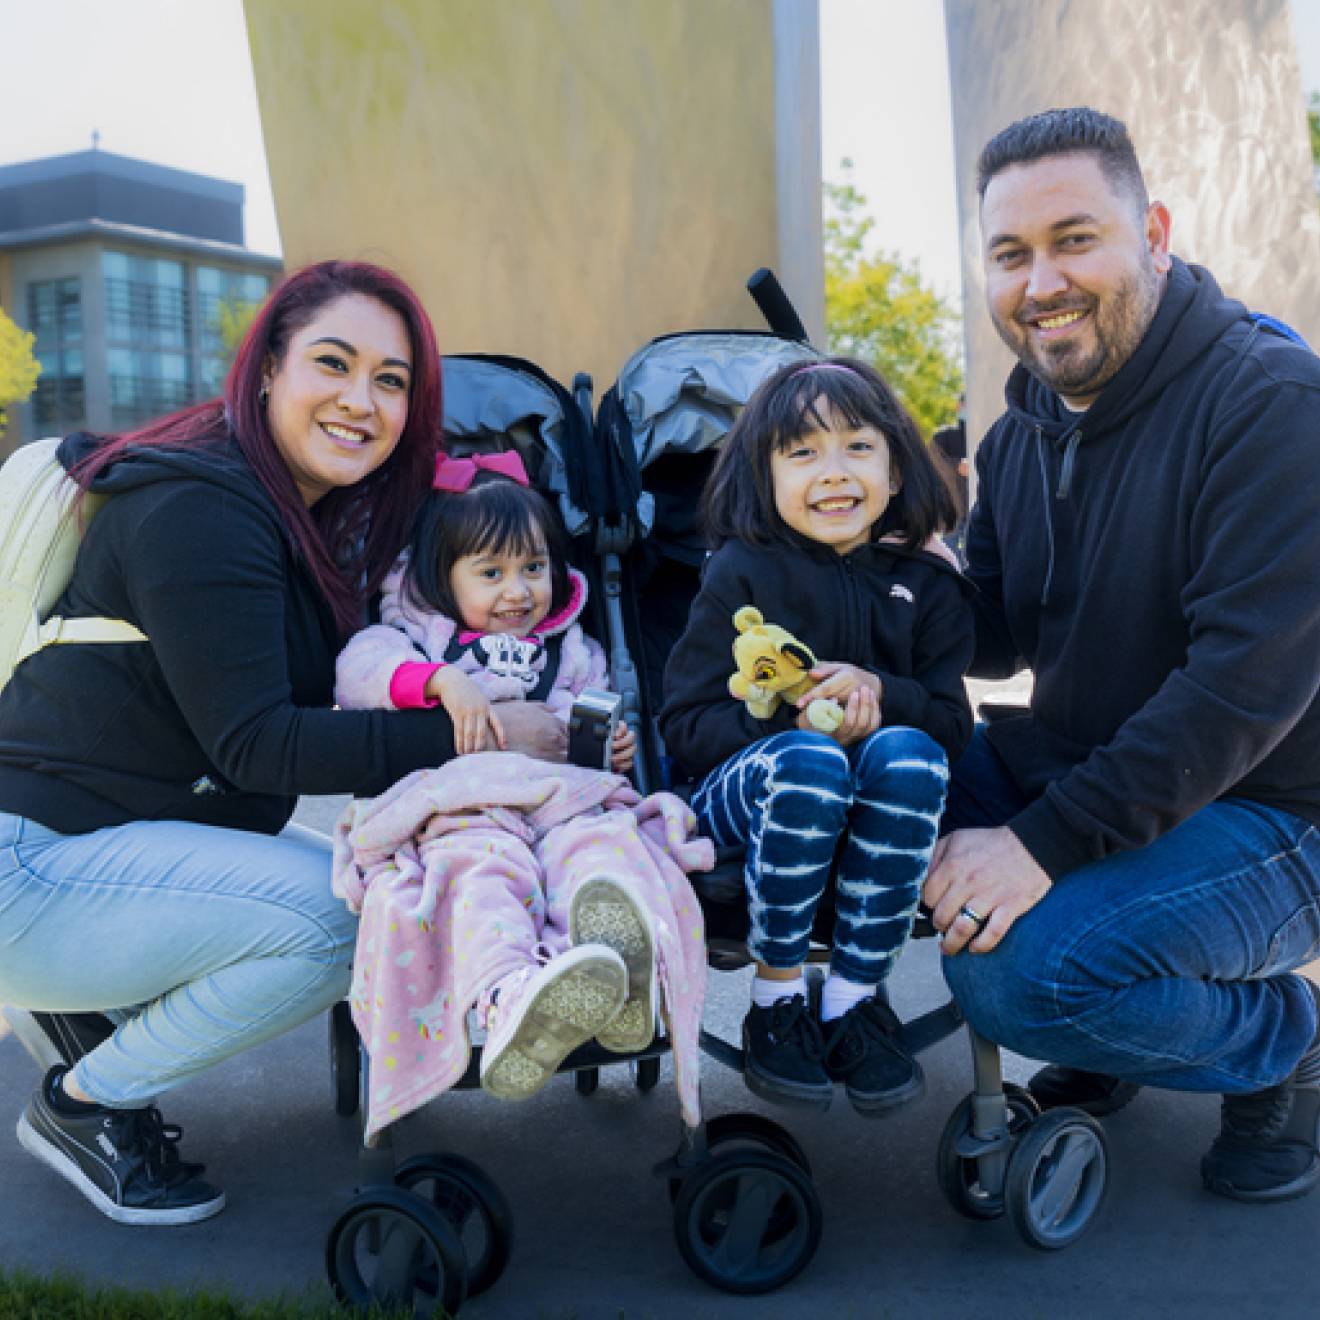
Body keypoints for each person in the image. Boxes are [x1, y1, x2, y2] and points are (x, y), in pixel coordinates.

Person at [0, 260, 565, 1226]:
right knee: (340, 920)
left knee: (379, 885)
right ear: (266, 368)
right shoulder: (201, 507)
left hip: (88, 843)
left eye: (391, 381)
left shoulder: (281, 511)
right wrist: (472, 735)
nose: (362, 400)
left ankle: (77, 1005)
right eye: (333, 364)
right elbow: (257, 748)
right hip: (34, 863)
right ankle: (83, 1105)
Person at [924, 106, 1320, 1204]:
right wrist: (890, 568)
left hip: (1275, 810)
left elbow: (1238, 696)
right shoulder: (1017, 436)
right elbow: (995, 628)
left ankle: (1286, 1035)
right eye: (1011, 254)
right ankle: (1120, 1012)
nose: (1040, 280)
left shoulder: (1271, 404)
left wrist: (1038, 846)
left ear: (1152, 230)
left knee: (1020, 978)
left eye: (1073, 239)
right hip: (1091, 761)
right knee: (884, 776)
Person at [334, 458, 706, 1118]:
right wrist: (439, 682)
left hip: (562, 799)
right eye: (491, 572)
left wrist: (606, 745)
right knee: (482, 878)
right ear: (439, 579)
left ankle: (618, 981)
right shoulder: (414, 637)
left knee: (605, 853)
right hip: (466, 807)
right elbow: (359, 673)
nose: (519, 590)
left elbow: (585, 714)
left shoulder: (571, 649)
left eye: (534, 568)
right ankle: (511, 996)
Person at [659, 357, 974, 1114]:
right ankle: (776, 1001)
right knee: (807, 759)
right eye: (802, 453)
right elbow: (685, 726)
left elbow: (951, 722)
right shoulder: (742, 572)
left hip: (876, 805)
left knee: (914, 751)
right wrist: (776, 715)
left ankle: (853, 1000)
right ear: (765, 479)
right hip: (747, 796)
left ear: (896, 472)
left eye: (857, 448)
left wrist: (883, 694)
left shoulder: (922, 584)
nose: (832, 473)